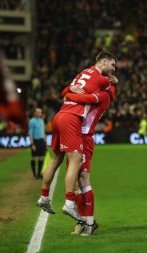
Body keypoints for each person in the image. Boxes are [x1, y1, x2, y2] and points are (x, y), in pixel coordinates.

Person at [36, 51, 116, 224]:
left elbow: (65, 92)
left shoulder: (81, 73)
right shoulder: (102, 79)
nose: (113, 70)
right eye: (112, 65)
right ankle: (69, 203)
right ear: (103, 62)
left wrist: (67, 91)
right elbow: (110, 94)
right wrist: (112, 81)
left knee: (55, 160)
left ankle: (44, 197)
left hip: (58, 116)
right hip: (72, 119)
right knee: (76, 161)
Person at [62, 78, 117, 236]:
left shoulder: (104, 95)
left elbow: (81, 98)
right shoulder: (98, 91)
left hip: (85, 138)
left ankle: (90, 222)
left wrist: (69, 93)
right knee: (75, 184)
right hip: (75, 135)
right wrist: (70, 88)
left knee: (83, 179)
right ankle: (82, 221)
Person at [28, 108, 47, 179]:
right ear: (35, 113)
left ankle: (39, 174)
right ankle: (34, 175)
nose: (40, 114)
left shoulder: (42, 121)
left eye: (40, 112)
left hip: (42, 141)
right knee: (34, 158)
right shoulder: (32, 121)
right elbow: (30, 133)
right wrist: (32, 144)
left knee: (42, 158)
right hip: (35, 141)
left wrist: (45, 142)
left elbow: (43, 132)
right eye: (38, 112)